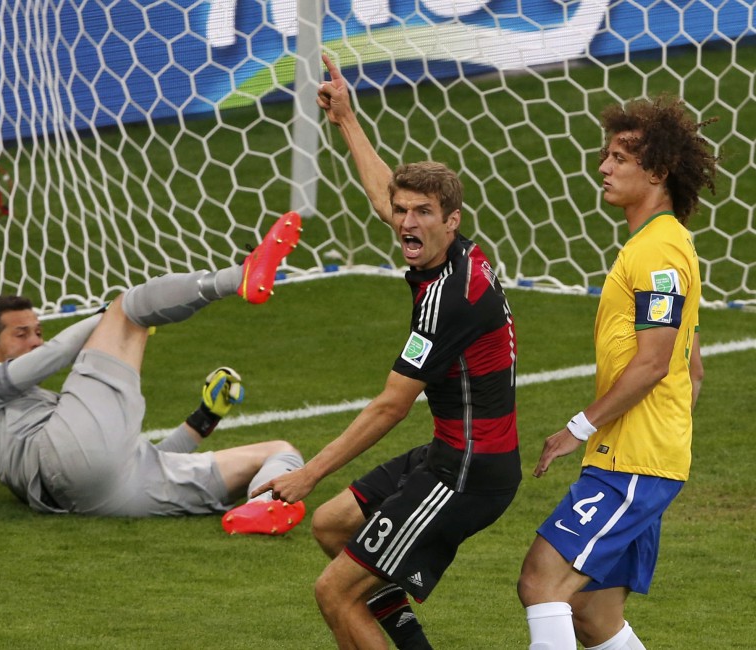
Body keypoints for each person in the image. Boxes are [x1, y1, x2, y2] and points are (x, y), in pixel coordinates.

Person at [252, 55, 521, 649]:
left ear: (451, 220)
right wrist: (346, 118)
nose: (405, 223)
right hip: (451, 450)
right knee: (332, 525)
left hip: (470, 472)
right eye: (403, 212)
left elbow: (390, 407)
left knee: (334, 593)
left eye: (422, 213)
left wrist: (308, 474)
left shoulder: (448, 299)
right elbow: (385, 196)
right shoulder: (449, 253)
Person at [0, 213, 307, 533]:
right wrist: (108, 315)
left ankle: (263, 508)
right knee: (129, 306)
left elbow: (131, 458)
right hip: (57, 469)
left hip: (103, 496)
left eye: (38, 332)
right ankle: (239, 276)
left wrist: (204, 418)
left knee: (280, 452)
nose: (33, 341)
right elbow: (55, 355)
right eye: (20, 334)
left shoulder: (56, 411)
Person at [516, 96, 717, 650]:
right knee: (590, 613)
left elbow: (655, 362)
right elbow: (692, 369)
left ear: (657, 172)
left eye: (619, 159)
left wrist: (578, 428)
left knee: (541, 582)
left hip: (631, 462)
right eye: (605, 156)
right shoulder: (666, 246)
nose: (603, 167)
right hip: (641, 457)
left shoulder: (657, 252)